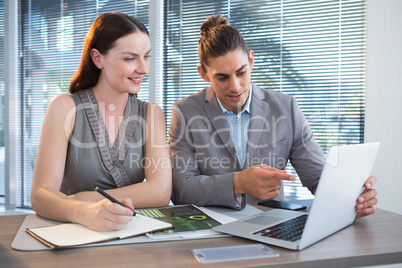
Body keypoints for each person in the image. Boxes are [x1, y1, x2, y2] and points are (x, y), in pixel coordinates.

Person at [169, 14, 377, 219]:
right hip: (209, 228)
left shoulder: (286, 108)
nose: (235, 86)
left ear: (251, 60)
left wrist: (351, 196)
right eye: (222, 77)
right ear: (203, 74)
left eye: (241, 72)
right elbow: (181, 189)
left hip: (270, 226)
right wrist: (238, 183)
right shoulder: (186, 112)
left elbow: (316, 176)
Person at [30, 12, 172, 231]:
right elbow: (41, 194)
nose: (143, 69)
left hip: (130, 234)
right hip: (73, 232)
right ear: (98, 58)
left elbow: (161, 192)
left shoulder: (152, 114)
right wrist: (84, 212)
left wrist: (89, 198)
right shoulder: (65, 107)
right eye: (130, 58)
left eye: (146, 56)